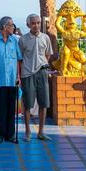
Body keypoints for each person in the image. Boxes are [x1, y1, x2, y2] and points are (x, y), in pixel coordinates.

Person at [18, 13, 56, 142]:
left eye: (38, 23)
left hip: (42, 73)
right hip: (27, 74)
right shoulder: (23, 40)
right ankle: (28, 132)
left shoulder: (45, 38)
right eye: (33, 23)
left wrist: (41, 66)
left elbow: (48, 55)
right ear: (28, 24)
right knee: (28, 104)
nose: (36, 25)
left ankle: (41, 132)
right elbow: (20, 59)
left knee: (43, 103)